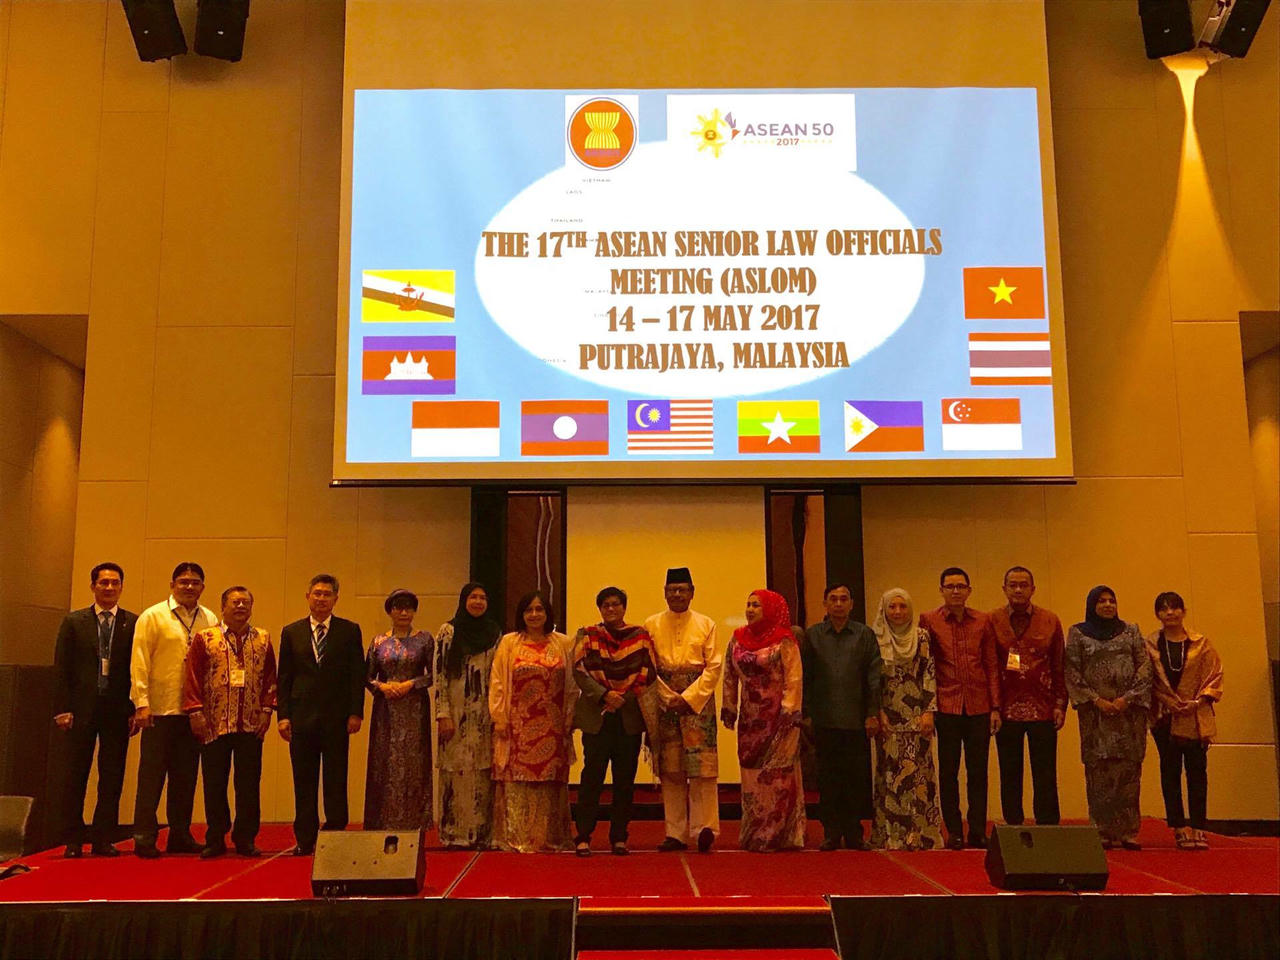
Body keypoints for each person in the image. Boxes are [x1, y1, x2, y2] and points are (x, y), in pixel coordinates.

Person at [130, 562, 218, 858]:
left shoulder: (209, 618)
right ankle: (144, 836)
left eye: (195, 582)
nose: (189, 587)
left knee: (185, 777)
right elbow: (139, 661)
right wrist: (141, 703)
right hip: (159, 710)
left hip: (193, 711)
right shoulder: (153, 616)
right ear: (172, 584)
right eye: (183, 581)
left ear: (202, 587)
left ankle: (180, 834)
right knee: (151, 777)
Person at [182, 586, 276, 858]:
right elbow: (192, 676)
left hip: (250, 723)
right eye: (235, 602)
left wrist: (267, 711)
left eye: (246, 602)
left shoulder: (262, 639)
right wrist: (195, 712)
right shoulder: (205, 638)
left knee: (249, 784)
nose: (241, 607)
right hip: (214, 723)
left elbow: (271, 677)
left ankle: (245, 838)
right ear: (223, 606)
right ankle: (215, 838)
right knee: (214, 783)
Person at [52, 563, 138, 858]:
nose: (109, 588)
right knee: (75, 775)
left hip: (117, 709)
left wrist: (134, 708)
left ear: (121, 587)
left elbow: (137, 670)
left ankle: (103, 838)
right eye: (104, 582)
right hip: (81, 709)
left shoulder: (132, 623)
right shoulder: (74, 622)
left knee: (112, 776)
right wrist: (62, 709)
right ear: (93, 586)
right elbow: (62, 668)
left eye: (115, 583)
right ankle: (73, 840)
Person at [277, 574, 365, 856]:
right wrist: (283, 716)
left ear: (335, 599)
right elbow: (284, 678)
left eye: (327, 594)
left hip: (337, 718)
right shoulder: (291, 632)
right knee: (304, 781)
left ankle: (336, 835)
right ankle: (305, 838)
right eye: (317, 593)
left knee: (336, 778)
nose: (321, 599)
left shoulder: (349, 631)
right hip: (301, 719)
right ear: (308, 597)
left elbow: (357, 675)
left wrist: (356, 712)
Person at [489, 590, 578, 852]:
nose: (535, 614)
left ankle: (549, 837)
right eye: (529, 610)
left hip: (553, 724)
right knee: (517, 779)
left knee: (551, 779)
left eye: (540, 609)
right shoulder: (509, 643)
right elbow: (497, 681)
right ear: (522, 614)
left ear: (548, 613)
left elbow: (573, 684)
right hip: (516, 724)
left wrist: (569, 716)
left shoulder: (563, 643)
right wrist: (499, 717)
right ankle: (518, 837)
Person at [918, 567, 1001, 849]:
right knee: (948, 772)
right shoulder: (929, 620)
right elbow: (926, 666)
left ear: (969, 591)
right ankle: (953, 830)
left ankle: (977, 830)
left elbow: (991, 664)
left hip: (979, 706)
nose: (955, 591)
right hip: (946, 705)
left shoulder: (983, 620)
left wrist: (995, 707)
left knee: (978, 772)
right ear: (941, 590)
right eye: (950, 586)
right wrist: (928, 707)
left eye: (960, 586)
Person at [1065, 585, 1152, 850]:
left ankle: (1128, 831)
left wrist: (1127, 699)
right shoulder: (1078, 633)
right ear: (1092, 605)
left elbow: (1144, 668)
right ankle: (1101, 830)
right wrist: (1096, 700)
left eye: (1111, 600)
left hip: (1129, 714)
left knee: (1128, 772)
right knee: (1099, 772)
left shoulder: (1131, 631)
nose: (1107, 605)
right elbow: (1071, 670)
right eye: (1101, 601)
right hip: (1096, 716)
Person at [572, 586, 657, 856]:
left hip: (628, 717)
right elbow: (580, 671)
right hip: (597, 717)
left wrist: (624, 696)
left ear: (624, 607)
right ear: (600, 608)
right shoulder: (588, 635)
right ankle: (583, 836)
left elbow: (648, 671)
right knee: (591, 779)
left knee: (624, 781)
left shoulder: (640, 636)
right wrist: (605, 695)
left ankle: (619, 837)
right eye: (606, 605)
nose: (611, 609)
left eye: (616, 604)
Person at [643, 567, 723, 853]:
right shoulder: (651, 624)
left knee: (702, 769)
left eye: (682, 590)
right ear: (664, 593)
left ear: (692, 592)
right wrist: (668, 697)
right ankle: (675, 833)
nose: (677, 594)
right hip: (665, 702)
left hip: (697, 704)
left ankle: (705, 829)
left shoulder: (706, 623)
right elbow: (648, 665)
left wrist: (689, 697)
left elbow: (714, 666)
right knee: (672, 770)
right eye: (672, 590)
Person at [722, 589, 806, 851]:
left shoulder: (784, 641)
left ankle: (776, 834)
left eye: (756, 605)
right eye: (748, 605)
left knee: (778, 777)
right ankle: (754, 832)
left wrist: (789, 712)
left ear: (769, 609)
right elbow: (729, 675)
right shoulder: (738, 638)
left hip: (780, 720)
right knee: (751, 775)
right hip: (750, 719)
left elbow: (794, 678)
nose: (750, 610)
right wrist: (729, 706)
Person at [801, 582, 882, 850]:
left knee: (855, 778)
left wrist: (872, 713)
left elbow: (873, 677)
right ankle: (831, 832)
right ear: (825, 604)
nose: (838, 604)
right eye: (833, 599)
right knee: (828, 778)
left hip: (856, 719)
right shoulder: (813, 635)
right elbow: (806, 677)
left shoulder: (864, 635)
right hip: (823, 718)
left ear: (851, 604)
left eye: (843, 599)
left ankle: (854, 832)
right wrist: (806, 713)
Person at [989, 566, 1066, 827]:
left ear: (1033, 589)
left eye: (1023, 585)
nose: (1018, 589)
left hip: (1043, 708)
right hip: (1006, 708)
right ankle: (1013, 826)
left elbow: (1059, 664)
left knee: (1045, 773)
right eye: (1013, 585)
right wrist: (993, 707)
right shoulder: (993, 620)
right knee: (1010, 773)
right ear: (1004, 589)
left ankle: (1048, 826)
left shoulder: (1050, 620)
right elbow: (990, 665)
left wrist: (1060, 704)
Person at [1146, 591, 1223, 850]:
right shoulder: (1150, 645)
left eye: (1175, 607)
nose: (1170, 613)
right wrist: (1167, 700)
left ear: (1183, 611)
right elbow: (1146, 680)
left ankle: (1199, 827)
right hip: (1164, 717)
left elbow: (1215, 675)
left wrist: (1197, 701)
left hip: (1195, 716)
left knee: (1197, 772)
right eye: (1164, 608)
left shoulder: (1201, 643)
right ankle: (1179, 827)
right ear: (1157, 614)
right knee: (1170, 772)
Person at [869, 588, 945, 851]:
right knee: (890, 774)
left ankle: (921, 835)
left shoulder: (921, 637)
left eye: (902, 607)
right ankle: (891, 835)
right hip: (888, 716)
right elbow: (873, 680)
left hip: (916, 717)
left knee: (919, 775)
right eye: (892, 607)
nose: (898, 612)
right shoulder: (876, 638)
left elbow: (928, 673)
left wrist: (929, 711)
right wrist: (877, 711)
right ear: (884, 610)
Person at [434, 582, 501, 849]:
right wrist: (443, 714)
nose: (478, 602)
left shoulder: (495, 633)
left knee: (482, 772)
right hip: (455, 712)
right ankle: (453, 834)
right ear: (464, 601)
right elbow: (440, 675)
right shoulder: (448, 631)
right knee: (455, 771)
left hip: (484, 713)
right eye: (473, 597)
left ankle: (480, 834)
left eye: (483, 598)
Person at [363, 589, 434, 831]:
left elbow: (434, 674)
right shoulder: (378, 642)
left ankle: (414, 822)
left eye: (408, 608)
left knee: (414, 762)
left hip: (415, 708)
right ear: (390, 611)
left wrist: (410, 683)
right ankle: (381, 821)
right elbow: (367, 676)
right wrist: (382, 686)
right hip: (385, 710)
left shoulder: (425, 640)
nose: (404, 612)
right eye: (398, 608)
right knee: (384, 762)